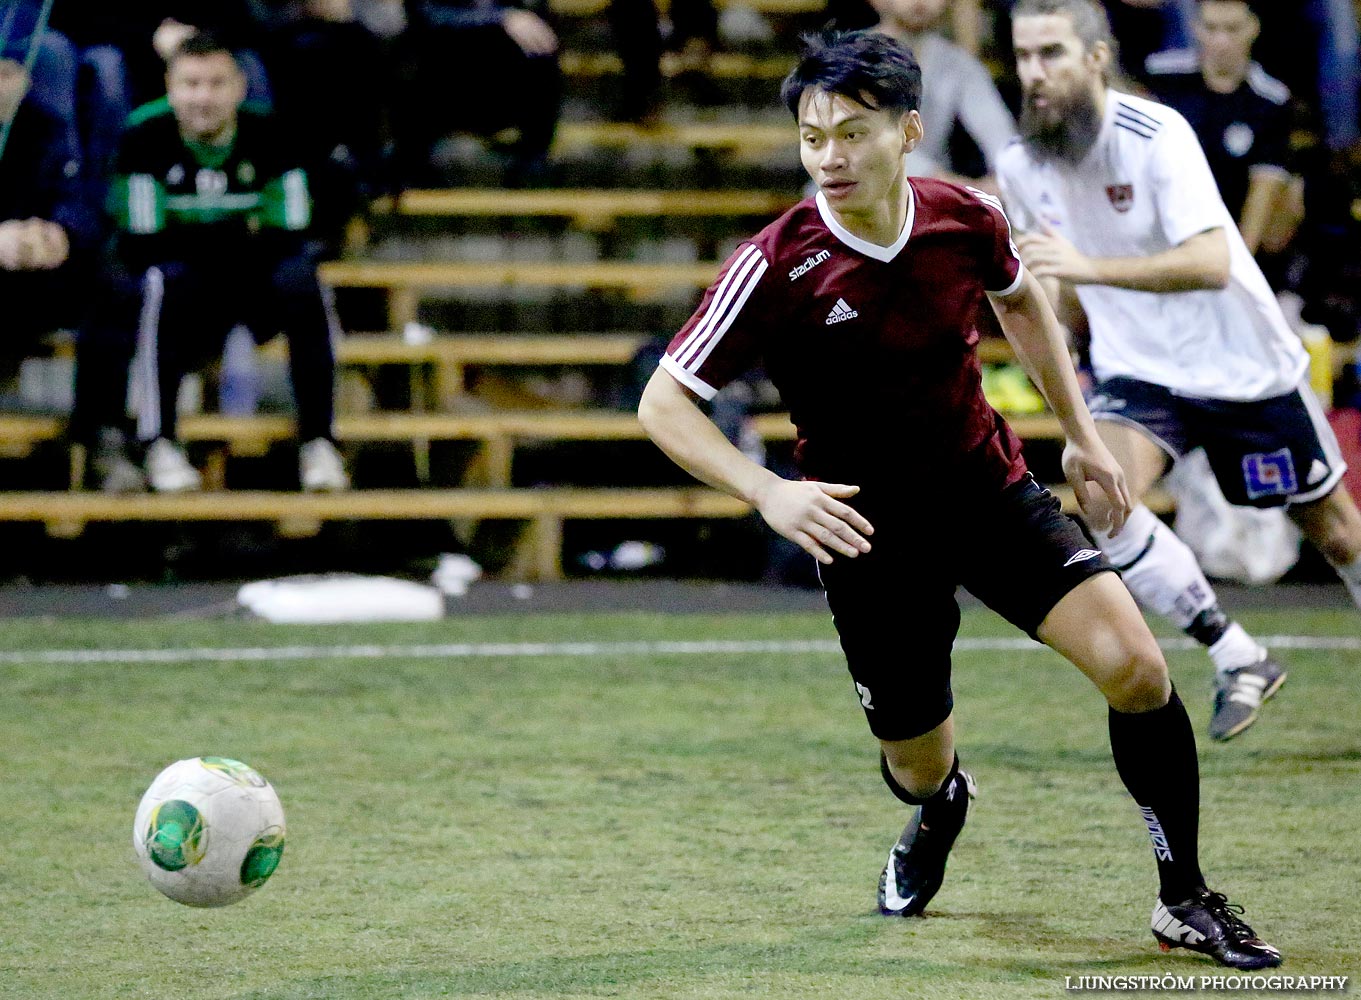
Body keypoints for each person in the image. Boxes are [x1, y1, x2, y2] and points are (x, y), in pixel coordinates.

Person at [638, 29, 1281, 970]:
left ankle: (1182, 896)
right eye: (813, 136)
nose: (829, 157)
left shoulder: (964, 218)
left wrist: (1082, 433)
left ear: (908, 131)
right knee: (914, 764)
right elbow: (664, 402)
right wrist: (765, 490)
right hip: (865, 532)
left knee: (1138, 670)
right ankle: (942, 805)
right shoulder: (775, 263)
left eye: (852, 134)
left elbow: (1018, 300)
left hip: (988, 490)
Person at [995, 0, 1361, 743]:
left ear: (1095, 58)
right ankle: (1237, 654)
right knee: (1102, 498)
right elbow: (1056, 293)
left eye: (1051, 54)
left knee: (1338, 535)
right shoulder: (1019, 163)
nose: (1034, 74)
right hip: (1139, 369)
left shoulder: (1155, 134)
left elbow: (1210, 260)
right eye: (1024, 56)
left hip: (1240, 363)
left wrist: (1084, 268)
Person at [73, 30, 348, 493]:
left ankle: (319, 441)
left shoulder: (272, 136)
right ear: (170, 87)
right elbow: (145, 240)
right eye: (192, 83)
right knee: (162, 280)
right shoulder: (143, 137)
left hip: (251, 282)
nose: (204, 97)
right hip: (185, 287)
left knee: (305, 279)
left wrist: (206, 235)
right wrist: (238, 232)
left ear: (239, 88)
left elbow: (290, 231)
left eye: (216, 83)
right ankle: (159, 441)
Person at [1144, 0, 1295, 257]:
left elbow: (1263, 192)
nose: (1221, 41)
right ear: (1194, 28)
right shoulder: (1159, 76)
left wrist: (1236, 264)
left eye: (1232, 29)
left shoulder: (1271, 100)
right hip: (1159, 227)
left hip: (1225, 232)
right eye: (1210, 28)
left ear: (1253, 28)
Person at [0, 29, 91, 378]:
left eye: (9, 75)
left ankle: (97, 423)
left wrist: (59, 234)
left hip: (33, 268)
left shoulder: (47, 126)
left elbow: (75, 199)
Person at [869, 0, 1017, 188]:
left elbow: (999, 134)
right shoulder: (850, 59)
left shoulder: (955, 62)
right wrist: (960, 188)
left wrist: (1011, 178)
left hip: (930, 199)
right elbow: (875, 145)